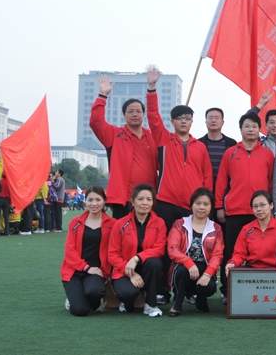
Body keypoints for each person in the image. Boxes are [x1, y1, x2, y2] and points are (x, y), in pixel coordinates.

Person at [215, 113, 275, 304]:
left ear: (259, 130)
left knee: (259, 252)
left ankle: (256, 289)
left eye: (254, 126)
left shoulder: (267, 154)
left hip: (260, 214)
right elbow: (221, 182)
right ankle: (227, 290)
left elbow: (271, 183)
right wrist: (219, 207)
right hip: (235, 212)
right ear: (241, 129)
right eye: (247, 126)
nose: (251, 130)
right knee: (231, 252)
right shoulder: (230, 152)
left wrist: (271, 208)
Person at [146, 65, 213, 231]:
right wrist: (152, 88)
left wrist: (205, 201)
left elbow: (207, 176)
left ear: (192, 122)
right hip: (166, 201)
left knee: (188, 242)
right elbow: (153, 117)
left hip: (191, 204)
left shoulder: (200, 147)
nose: (183, 121)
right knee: (163, 240)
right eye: (179, 118)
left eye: (187, 118)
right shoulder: (164, 139)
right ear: (172, 122)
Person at [90, 74, 158, 219]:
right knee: (121, 232)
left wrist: (152, 88)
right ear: (124, 115)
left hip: (148, 199)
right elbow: (96, 122)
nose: (135, 114)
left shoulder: (153, 137)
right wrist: (102, 96)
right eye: (130, 111)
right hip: (124, 199)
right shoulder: (114, 135)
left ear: (144, 115)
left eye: (138, 111)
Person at [108, 184, 167, 317]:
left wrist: (137, 258)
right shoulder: (120, 224)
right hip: (124, 269)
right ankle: (128, 300)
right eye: (140, 199)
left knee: (155, 263)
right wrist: (130, 273)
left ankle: (150, 305)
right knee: (127, 295)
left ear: (153, 202)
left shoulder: (159, 223)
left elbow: (159, 249)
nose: (145, 203)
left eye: (149, 199)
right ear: (133, 202)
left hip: (147, 269)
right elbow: (112, 254)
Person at [167, 188, 224, 316]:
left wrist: (208, 274)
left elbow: (218, 255)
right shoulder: (180, 224)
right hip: (184, 267)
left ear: (211, 207)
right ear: (191, 205)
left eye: (206, 204)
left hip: (204, 269)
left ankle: (201, 299)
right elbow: (173, 249)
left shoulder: (216, 228)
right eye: (198, 203)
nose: (201, 207)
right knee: (181, 271)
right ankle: (177, 304)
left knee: (209, 287)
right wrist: (189, 263)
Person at [61, 186, 116, 316]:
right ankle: (74, 298)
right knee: (81, 310)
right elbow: (69, 251)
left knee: (95, 291)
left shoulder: (113, 224)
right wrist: (86, 267)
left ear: (104, 201)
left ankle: (93, 301)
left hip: (97, 270)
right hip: (74, 270)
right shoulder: (75, 222)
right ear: (85, 201)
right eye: (90, 200)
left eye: (98, 199)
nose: (94, 204)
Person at [225, 191, 276, 273]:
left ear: (271, 205)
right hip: (251, 270)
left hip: (274, 271)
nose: (259, 209)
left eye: (262, 205)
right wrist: (232, 263)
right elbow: (239, 253)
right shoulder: (246, 229)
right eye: (255, 206)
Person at [198, 108, 237, 188]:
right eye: (210, 118)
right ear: (206, 122)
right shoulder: (198, 144)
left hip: (226, 188)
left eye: (217, 118)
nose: (213, 120)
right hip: (203, 188)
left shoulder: (232, 143)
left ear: (222, 122)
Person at [246, 90, 276, 156]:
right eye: (272, 122)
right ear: (266, 125)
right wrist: (261, 104)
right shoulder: (259, 143)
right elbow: (247, 119)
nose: (275, 125)